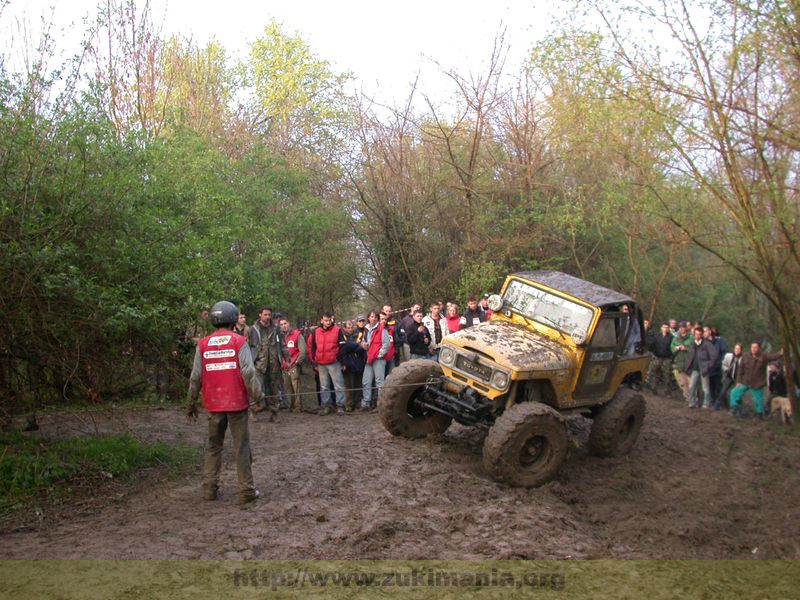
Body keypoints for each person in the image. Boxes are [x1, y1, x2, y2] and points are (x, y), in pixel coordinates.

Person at [187, 301, 261, 505]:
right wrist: (258, 395)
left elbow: (195, 376)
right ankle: (246, 490)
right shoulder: (238, 341)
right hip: (237, 404)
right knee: (241, 447)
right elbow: (248, 371)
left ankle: (209, 489)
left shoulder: (202, 344)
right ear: (234, 318)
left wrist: (191, 403)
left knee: (213, 447)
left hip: (213, 404)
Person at [307, 311, 347, 415]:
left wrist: (338, 357)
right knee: (324, 386)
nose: (328, 322)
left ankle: (340, 406)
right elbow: (313, 346)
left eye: (329, 320)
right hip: (321, 363)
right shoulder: (316, 331)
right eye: (326, 320)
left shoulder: (338, 330)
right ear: (322, 320)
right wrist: (314, 361)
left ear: (332, 320)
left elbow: (343, 346)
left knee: (338, 385)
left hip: (334, 362)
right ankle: (326, 406)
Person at [729, 341, 782, 418]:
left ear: (759, 348)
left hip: (757, 382)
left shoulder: (763, 356)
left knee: (759, 401)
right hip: (745, 381)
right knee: (734, 393)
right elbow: (740, 369)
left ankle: (760, 414)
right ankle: (735, 408)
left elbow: (772, 357)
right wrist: (738, 381)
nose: (753, 349)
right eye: (752, 347)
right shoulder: (746, 356)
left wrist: (780, 353)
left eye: (755, 347)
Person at [250, 307, 280, 420]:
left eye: (269, 315)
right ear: (260, 315)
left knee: (274, 390)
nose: (267, 317)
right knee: (257, 389)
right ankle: (254, 411)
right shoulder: (253, 329)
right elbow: (249, 346)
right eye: (265, 314)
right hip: (259, 364)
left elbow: (281, 344)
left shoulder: (276, 328)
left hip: (273, 364)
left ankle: (274, 413)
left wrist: (284, 359)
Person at [361, 311, 391, 410]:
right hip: (368, 358)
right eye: (371, 316)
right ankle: (366, 403)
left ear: (377, 318)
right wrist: (363, 345)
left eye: (375, 317)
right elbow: (362, 341)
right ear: (368, 318)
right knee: (366, 381)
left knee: (379, 382)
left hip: (378, 359)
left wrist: (379, 354)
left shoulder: (382, 329)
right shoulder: (365, 329)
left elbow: (386, 344)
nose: (373, 318)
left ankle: (380, 405)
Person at [278, 317, 306, 413]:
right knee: (287, 386)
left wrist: (297, 362)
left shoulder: (297, 335)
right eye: (281, 325)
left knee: (296, 387)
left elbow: (303, 351)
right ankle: (291, 405)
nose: (283, 326)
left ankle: (298, 406)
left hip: (294, 364)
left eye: (285, 323)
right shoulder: (279, 337)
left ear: (289, 323)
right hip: (284, 366)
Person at [341, 319, 366, 411]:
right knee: (348, 385)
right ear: (345, 328)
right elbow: (343, 350)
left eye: (352, 327)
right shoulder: (342, 336)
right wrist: (355, 346)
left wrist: (354, 347)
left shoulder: (359, 334)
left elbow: (361, 349)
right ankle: (349, 404)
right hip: (347, 364)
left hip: (358, 362)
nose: (350, 329)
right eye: (348, 328)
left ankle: (357, 403)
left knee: (358, 384)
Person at [645, 323, 675, 396]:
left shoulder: (671, 337)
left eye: (667, 327)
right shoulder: (657, 336)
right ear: (661, 328)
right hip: (657, 357)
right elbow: (652, 345)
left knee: (667, 375)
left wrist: (671, 357)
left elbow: (673, 348)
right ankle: (653, 389)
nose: (665, 329)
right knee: (655, 373)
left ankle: (668, 392)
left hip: (667, 358)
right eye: (664, 327)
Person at [670, 321, 693, 404]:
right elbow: (671, 346)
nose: (681, 329)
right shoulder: (676, 338)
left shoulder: (691, 337)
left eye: (683, 327)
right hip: (679, 362)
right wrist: (675, 348)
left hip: (689, 363)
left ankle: (694, 399)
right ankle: (688, 399)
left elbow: (695, 349)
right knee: (683, 383)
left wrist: (686, 348)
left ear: (686, 328)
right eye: (680, 327)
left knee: (691, 383)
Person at [715, 342, 743, 410]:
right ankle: (717, 404)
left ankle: (738, 408)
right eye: (736, 348)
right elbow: (723, 364)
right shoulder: (728, 356)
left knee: (737, 393)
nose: (737, 350)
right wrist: (726, 369)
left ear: (741, 350)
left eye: (738, 349)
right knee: (723, 391)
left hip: (738, 378)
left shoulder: (742, 359)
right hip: (729, 376)